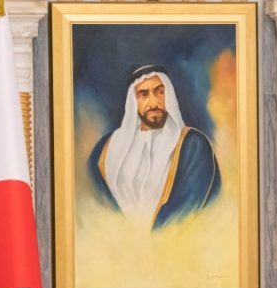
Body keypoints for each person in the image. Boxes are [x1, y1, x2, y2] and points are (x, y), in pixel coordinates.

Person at [89, 65, 221, 230]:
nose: (153, 103)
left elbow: (188, 209)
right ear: (133, 101)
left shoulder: (192, 145)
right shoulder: (106, 150)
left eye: (160, 92)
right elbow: (97, 203)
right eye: (143, 95)